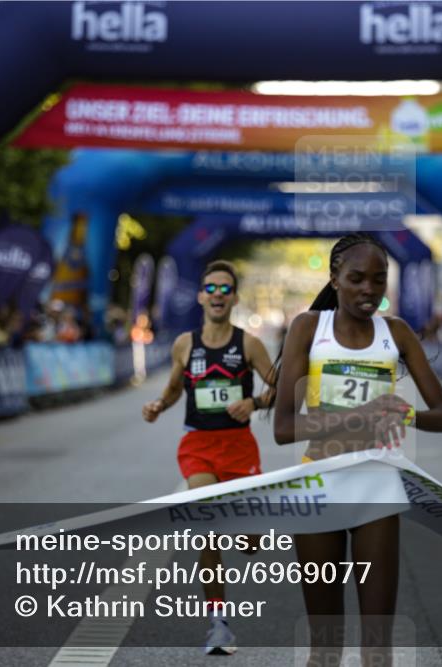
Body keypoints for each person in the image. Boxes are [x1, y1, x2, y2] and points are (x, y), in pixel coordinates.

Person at [272, 233, 442, 667]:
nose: (368, 290)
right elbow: (283, 428)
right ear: (335, 278)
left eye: (379, 280)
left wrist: (404, 415)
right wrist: (359, 416)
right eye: (356, 278)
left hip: (377, 489)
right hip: (318, 487)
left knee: (377, 646)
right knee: (325, 646)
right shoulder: (307, 328)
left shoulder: (396, 333)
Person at [141, 259, 275, 656]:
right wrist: (157, 406)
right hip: (198, 446)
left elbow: (281, 388)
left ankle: (252, 520)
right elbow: (172, 391)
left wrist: (253, 402)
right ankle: (219, 624)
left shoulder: (248, 344)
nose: (218, 295)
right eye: (211, 289)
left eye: (225, 289)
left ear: (234, 298)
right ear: (201, 296)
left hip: (239, 448)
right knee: (207, 522)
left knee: (250, 543)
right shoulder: (185, 344)